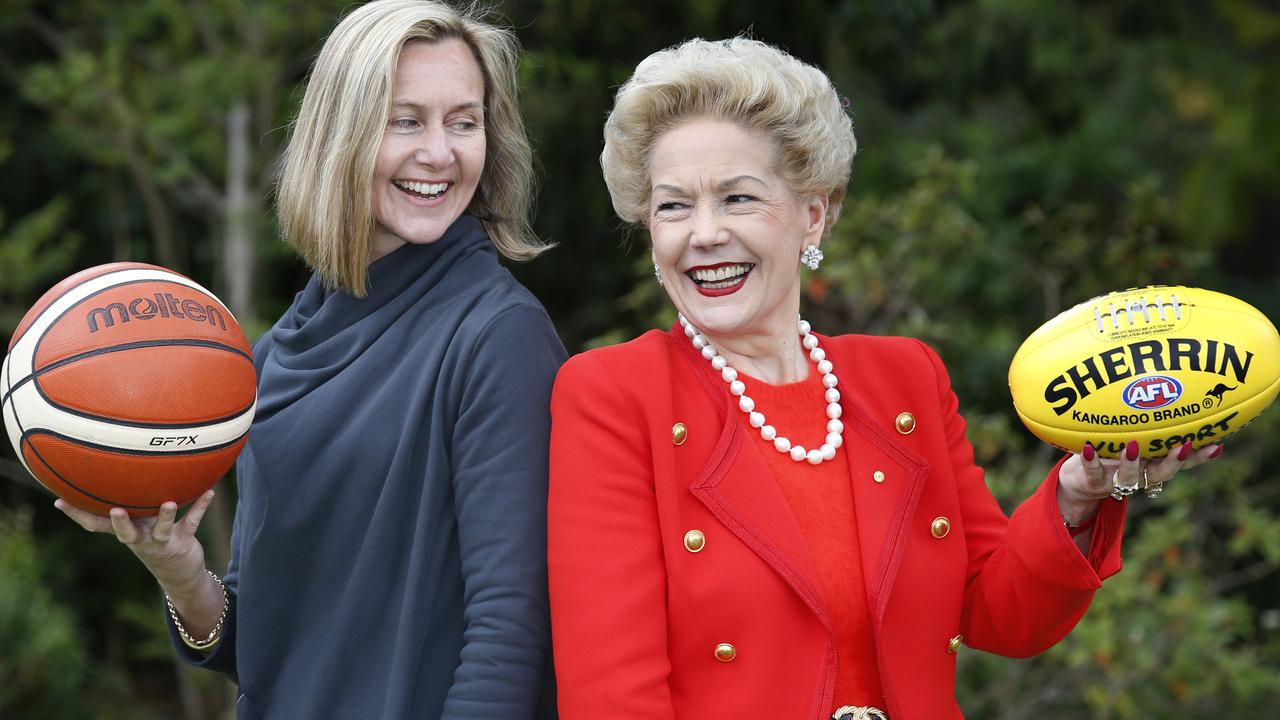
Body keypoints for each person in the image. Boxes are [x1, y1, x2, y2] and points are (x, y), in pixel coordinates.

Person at [546, 38, 1220, 720]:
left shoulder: (905, 379)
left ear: (814, 212)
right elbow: (612, 697)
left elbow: (1001, 613)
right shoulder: (612, 395)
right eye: (672, 207)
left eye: (738, 198)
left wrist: (1080, 495)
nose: (704, 233)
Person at [54, 1, 564, 717]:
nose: (441, 152)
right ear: (341, 134)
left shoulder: (497, 335)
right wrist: (178, 571)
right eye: (406, 119)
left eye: (465, 121)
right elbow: (262, 644)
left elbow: (512, 632)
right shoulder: (269, 356)